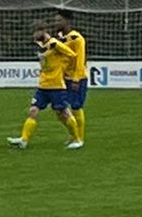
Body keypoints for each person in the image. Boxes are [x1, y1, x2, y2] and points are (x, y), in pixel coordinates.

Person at [8, 28, 78, 148]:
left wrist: (67, 70)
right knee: (33, 110)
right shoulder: (43, 46)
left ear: (45, 35)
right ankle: (24, 140)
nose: (37, 42)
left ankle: (76, 138)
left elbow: (72, 55)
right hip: (43, 86)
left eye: (38, 38)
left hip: (57, 86)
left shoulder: (55, 44)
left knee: (63, 114)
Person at [54, 8, 89, 147]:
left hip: (77, 79)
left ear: (67, 21)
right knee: (59, 109)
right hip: (63, 79)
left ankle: (79, 139)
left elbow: (80, 60)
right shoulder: (61, 38)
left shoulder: (77, 38)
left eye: (59, 20)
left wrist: (76, 79)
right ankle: (73, 134)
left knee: (75, 107)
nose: (56, 22)